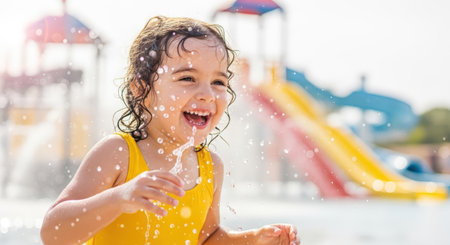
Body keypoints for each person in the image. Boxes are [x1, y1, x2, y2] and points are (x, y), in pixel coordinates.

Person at [40, 16, 300, 245]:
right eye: (187, 78)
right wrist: (118, 198)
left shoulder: (210, 167)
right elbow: (53, 233)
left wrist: (253, 240)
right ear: (142, 90)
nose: (208, 95)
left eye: (219, 82)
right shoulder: (119, 153)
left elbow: (206, 238)